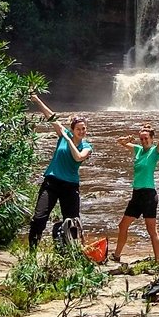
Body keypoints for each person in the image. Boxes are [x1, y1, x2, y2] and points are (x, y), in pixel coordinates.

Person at [112, 106, 159, 263]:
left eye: (146, 139)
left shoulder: (154, 152)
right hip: (136, 194)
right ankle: (116, 256)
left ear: (152, 139)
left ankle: (158, 261)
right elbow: (119, 142)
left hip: (149, 195)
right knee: (122, 225)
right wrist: (126, 140)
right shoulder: (138, 149)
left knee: (151, 230)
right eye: (142, 139)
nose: (144, 141)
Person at [27, 93, 94, 252]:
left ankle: (69, 253)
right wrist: (36, 100)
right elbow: (51, 116)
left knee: (71, 222)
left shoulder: (86, 146)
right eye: (78, 129)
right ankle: (32, 254)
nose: (81, 131)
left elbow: (78, 158)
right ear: (73, 129)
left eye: (84, 129)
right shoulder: (63, 134)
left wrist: (68, 138)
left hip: (70, 186)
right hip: (52, 183)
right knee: (39, 218)